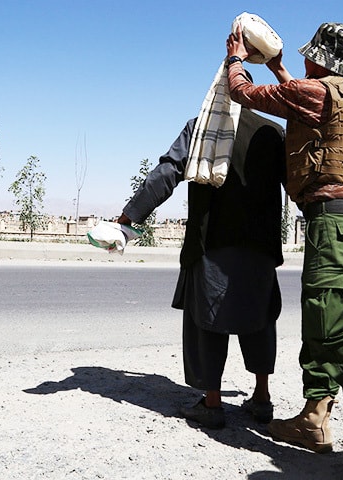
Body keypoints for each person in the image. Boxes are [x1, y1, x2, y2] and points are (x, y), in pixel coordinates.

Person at [225, 22, 343, 479]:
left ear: (319, 59)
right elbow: (301, 97)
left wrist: (235, 59)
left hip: (331, 219)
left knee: (329, 325)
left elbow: (243, 94)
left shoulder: (315, 91)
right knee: (323, 318)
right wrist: (280, 66)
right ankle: (315, 418)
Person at [115, 106, 285, 429]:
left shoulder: (202, 126)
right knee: (260, 318)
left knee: (207, 319)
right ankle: (262, 399)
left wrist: (129, 216)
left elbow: (167, 173)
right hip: (260, 247)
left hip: (211, 244)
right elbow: (298, 181)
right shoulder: (272, 131)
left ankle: (212, 403)